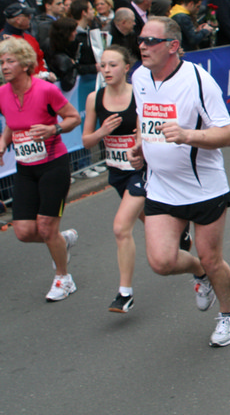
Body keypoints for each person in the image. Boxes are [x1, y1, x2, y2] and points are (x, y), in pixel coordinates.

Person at [128, 16, 230, 347]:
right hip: (161, 186)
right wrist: (140, 145)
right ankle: (199, 273)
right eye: (140, 40)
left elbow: (228, 134)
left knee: (212, 258)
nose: (143, 46)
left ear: (173, 46)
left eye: (151, 41)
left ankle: (228, 314)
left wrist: (187, 135)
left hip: (203, 187)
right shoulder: (139, 76)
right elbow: (144, 115)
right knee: (161, 262)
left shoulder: (198, 80)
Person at [0, 37, 82, 301]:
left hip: (53, 165)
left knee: (46, 227)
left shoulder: (46, 90)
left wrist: (53, 128)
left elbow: (73, 118)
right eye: (1, 62)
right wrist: (2, 143)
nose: (4, 66)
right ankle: (62, 240)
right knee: (23, 232)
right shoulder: (2, 94)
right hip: (25, 169)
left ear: (25, 65)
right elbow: (12, 123)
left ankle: (63, 278)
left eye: (10, 61)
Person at [81, 45, 145, 313]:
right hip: (117, 172)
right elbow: (86, 141)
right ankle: (179, 232)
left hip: (140, 169)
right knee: (148, 219)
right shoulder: (94, 98)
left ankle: (125, 293)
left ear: (126, 68)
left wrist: (138, 147)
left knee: (121, 227)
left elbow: (143, 130)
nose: (106, 70)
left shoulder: (139, 94)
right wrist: (102, 132)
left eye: (112, 65)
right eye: (103, 65)